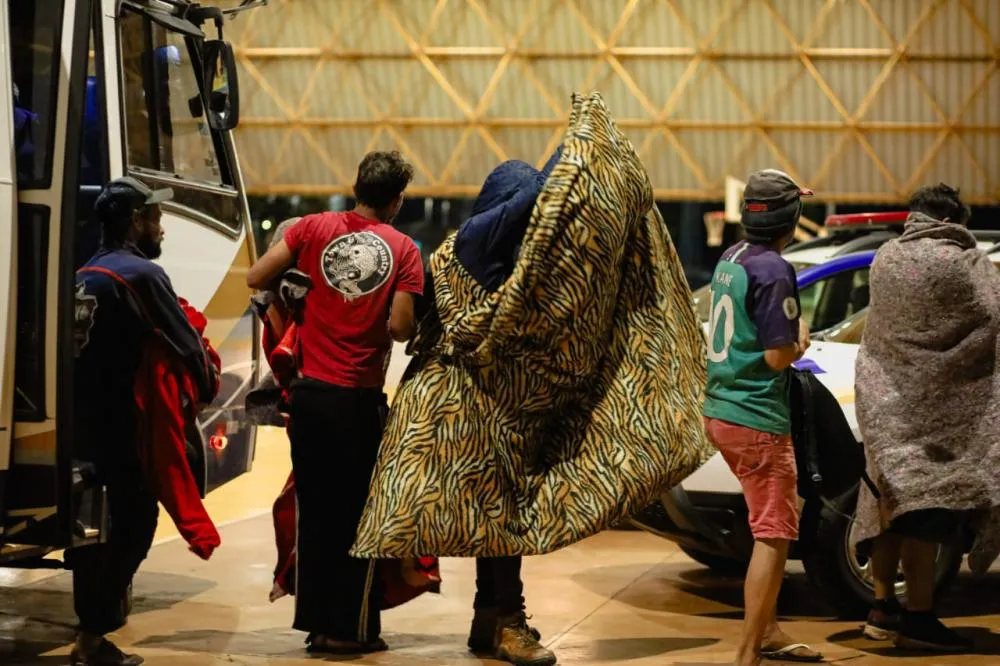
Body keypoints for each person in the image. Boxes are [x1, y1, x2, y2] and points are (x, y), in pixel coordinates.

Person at [246, 150, 424, 654]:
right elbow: (401, 326)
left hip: (309, 398)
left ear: (357, 187)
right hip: (357, 401)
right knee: (358, 518)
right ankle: (348, 630)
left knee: (317, 513)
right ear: (396, 200)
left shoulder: (313, 229)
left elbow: (256, 277)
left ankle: (317, 625)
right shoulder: (404, 249)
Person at [70, 177, 220, 666]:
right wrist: (202, 389)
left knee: (92, 536)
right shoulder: (142, 276)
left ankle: (91, 635)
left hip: (82, 428)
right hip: (128, 429)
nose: (161, 228)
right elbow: (187, 346)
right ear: (134, 222)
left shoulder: (84, 272)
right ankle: (92, 638)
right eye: (155, 218)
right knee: (137, 525)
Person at [854, 183, 1000, 652]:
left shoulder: (884, 258)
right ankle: (918, 617)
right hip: (938, 414)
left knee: (887, 506)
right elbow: (993, 316)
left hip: (883, 403)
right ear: (956, 219)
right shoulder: (967, 264)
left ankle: (881, 608)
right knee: (925, 513)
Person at [702, 169, 822, 665]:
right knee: (773, 533)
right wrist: (801, 341)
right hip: (757, 419)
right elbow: (777, 357)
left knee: (763, 522)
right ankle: (748, 653)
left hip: (721, 408)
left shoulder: (730, 258)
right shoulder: (773, 269)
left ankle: (767, 628)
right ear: (790, 219)